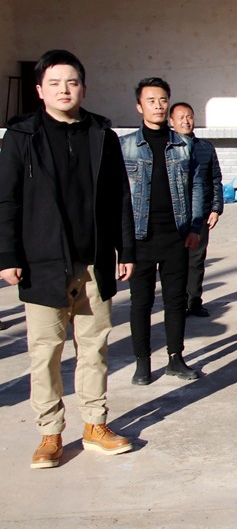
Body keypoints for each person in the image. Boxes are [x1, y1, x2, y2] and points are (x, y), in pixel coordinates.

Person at [0, 50, 136, 468]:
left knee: (94, 347)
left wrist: (126, 249)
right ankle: (50, 433)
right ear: (40, 90)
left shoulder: (101, 134)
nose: (64, 90)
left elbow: (120, 197)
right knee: (45, 352)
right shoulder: (21, 136)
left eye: (72, 82)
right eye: (55, 83)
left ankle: (95, 425)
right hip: (42, 262)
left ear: (83, 88)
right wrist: (7, 255)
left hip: (94, 261)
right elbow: (6, 200)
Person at [120, 78, 206, 385]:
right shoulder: (125, 146)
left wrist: (195, 227)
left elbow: (197, 186)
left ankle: (175, 358)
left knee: (175, 301)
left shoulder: (184, 145)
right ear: (139, 106)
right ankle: (142, 362)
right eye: (151, 100)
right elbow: (118, 196)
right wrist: (121, 243)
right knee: (141, 303)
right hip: (140, 237)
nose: (158, 105)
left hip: (176, 235)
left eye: (162, 100)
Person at [168, 102, 223, 318]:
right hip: (173, 215)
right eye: (180, 117)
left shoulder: (205, 148)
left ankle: (194, 302)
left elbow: (215, 179)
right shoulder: (166, 148)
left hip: (200, 215)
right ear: (171, 122)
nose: (186, 121)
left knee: (197, 260)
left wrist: (216, 209)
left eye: (189, 116)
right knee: (175, 262)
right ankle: (177, 303)